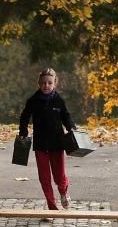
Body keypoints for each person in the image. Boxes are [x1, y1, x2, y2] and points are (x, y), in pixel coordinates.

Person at [19, 68, 76, 211]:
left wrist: (71, 127)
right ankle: (52, 206)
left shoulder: (58, 100)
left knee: (59, 177)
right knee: (44, 178)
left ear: (54, 84)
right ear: (39, 83)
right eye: (43, 83)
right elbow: (25, 116)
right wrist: (23, 131)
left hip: (57, 143)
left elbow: (66, 116)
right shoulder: (33, 100)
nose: (46, 85)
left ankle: (63, 192)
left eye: (49, 83)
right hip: (40, 145)